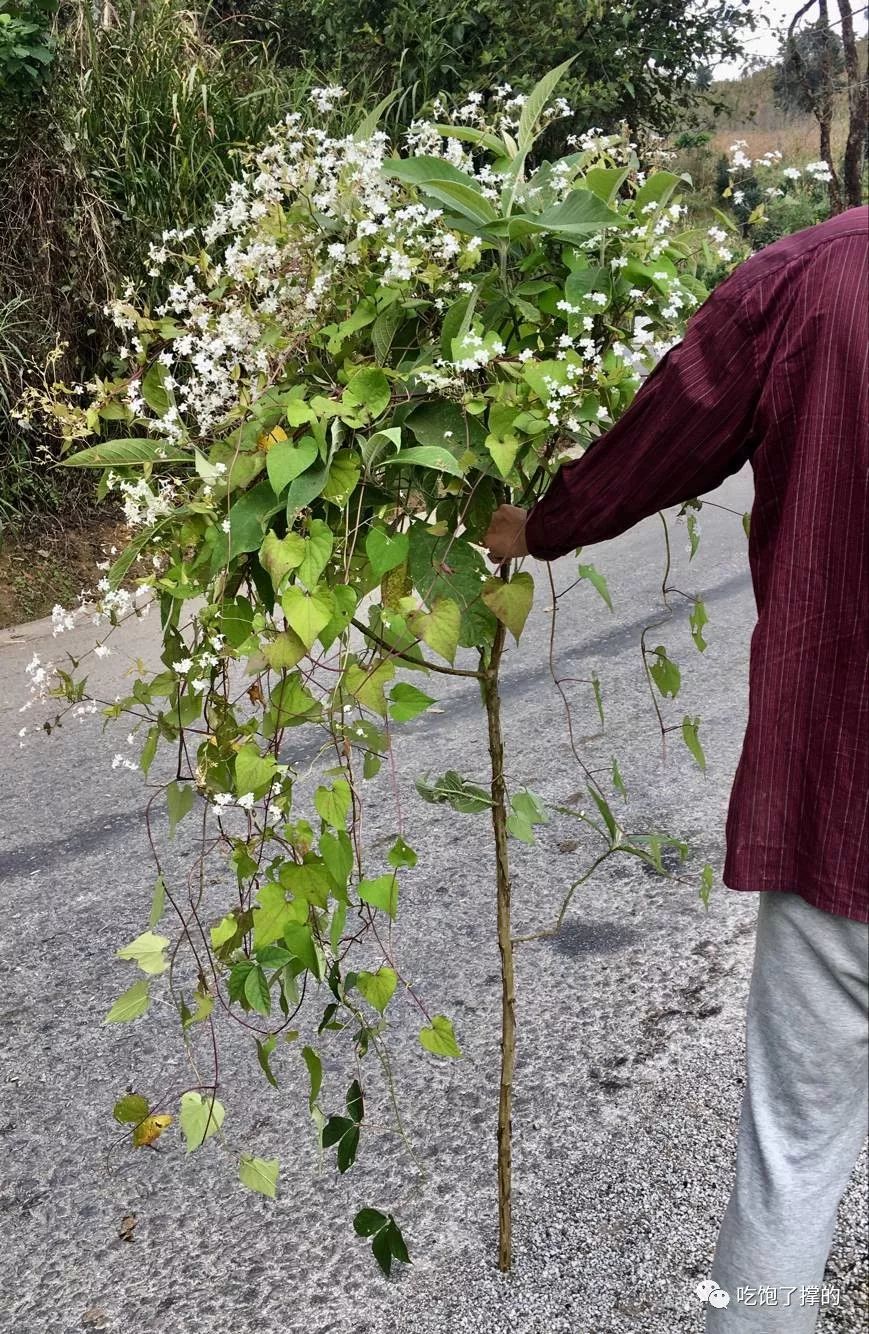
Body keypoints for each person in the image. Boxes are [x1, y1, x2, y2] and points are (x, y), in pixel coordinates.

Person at [484, 206, 869, 1332]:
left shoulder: (812, 275)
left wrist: (539, 524)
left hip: (837, 802)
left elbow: (665, 430)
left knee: (789, 1152)